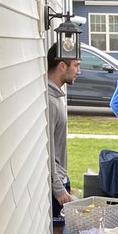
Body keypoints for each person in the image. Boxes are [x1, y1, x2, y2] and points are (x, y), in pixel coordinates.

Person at [46, 45, 80, 215]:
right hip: (56, 184)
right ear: (61, 66)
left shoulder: (57, 96)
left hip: (61, 178)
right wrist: (59, 189)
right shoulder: (50, 101)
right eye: (76, 65)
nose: (78, 71)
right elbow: (49, 150)